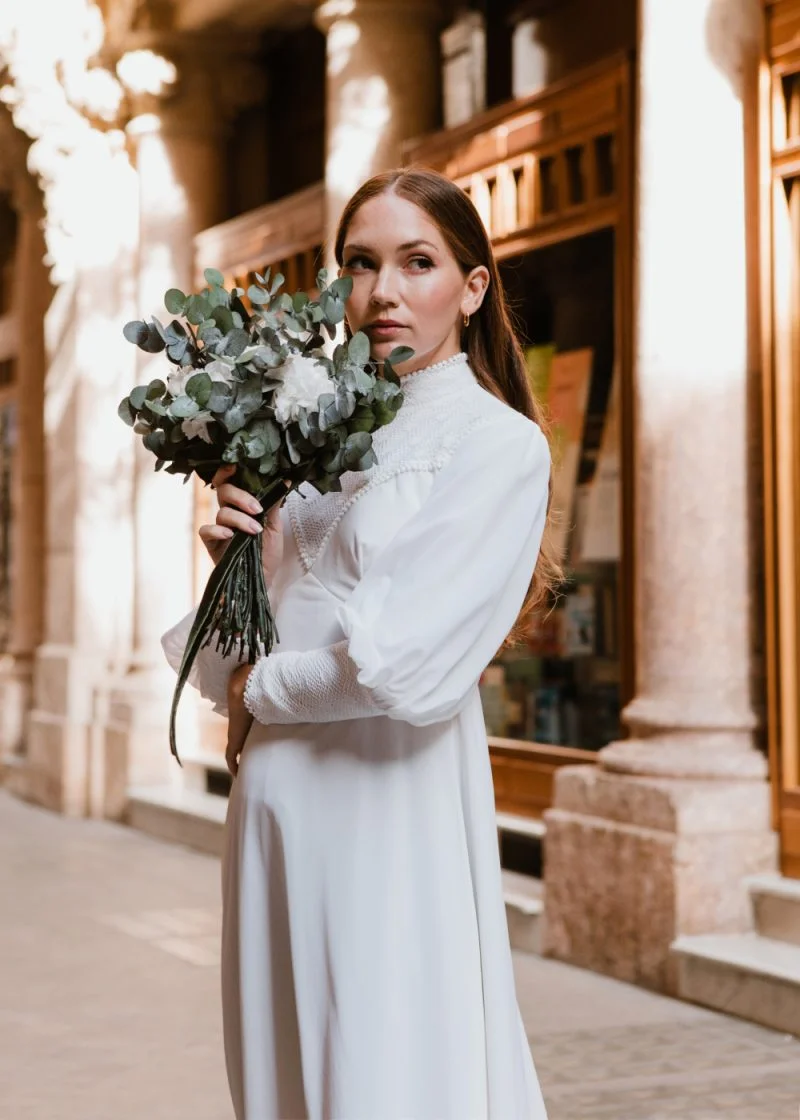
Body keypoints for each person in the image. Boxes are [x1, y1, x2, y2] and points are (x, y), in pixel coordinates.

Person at [161, 166, 558, 1119]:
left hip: (389, 796)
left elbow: (402, 668)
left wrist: (259, 688)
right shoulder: (310, 431)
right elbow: (230, 665)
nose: (382, 292)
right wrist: (233, 561)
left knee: (388, 1062)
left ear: (472, 287)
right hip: (275, 801)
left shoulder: (498, 445)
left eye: (418, 262)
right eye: (361, 263)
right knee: (282, 1072)